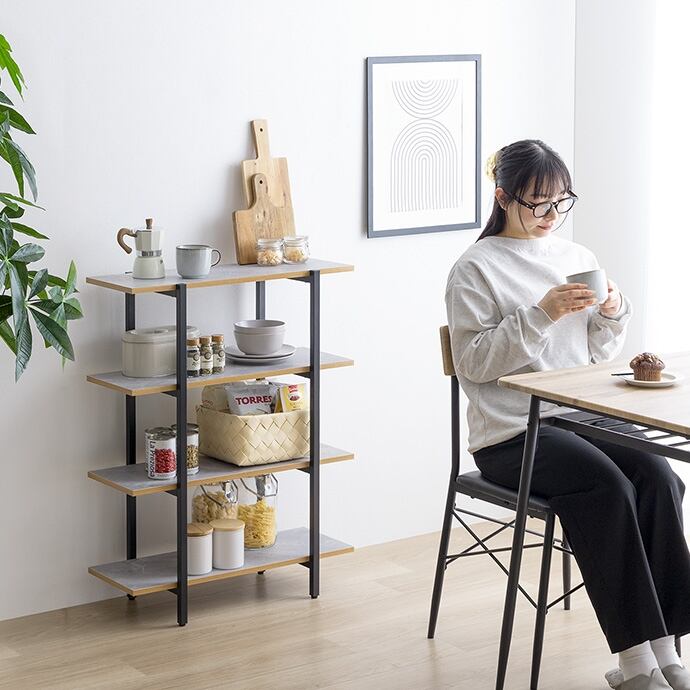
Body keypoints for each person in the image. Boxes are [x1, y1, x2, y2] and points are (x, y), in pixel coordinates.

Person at [445, 139, 690, 690]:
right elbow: (473, 364)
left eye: (561, 201)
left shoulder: (576, 257)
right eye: (537, 203)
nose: (551, 214)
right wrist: (541, 314)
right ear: (503, 198)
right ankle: (636, 663)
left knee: (659, 475)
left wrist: (612, 313)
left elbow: (596, 354)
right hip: (511, 433)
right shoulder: (475, 268)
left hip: (582, 415)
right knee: (608, 488)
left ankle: (668, 649)